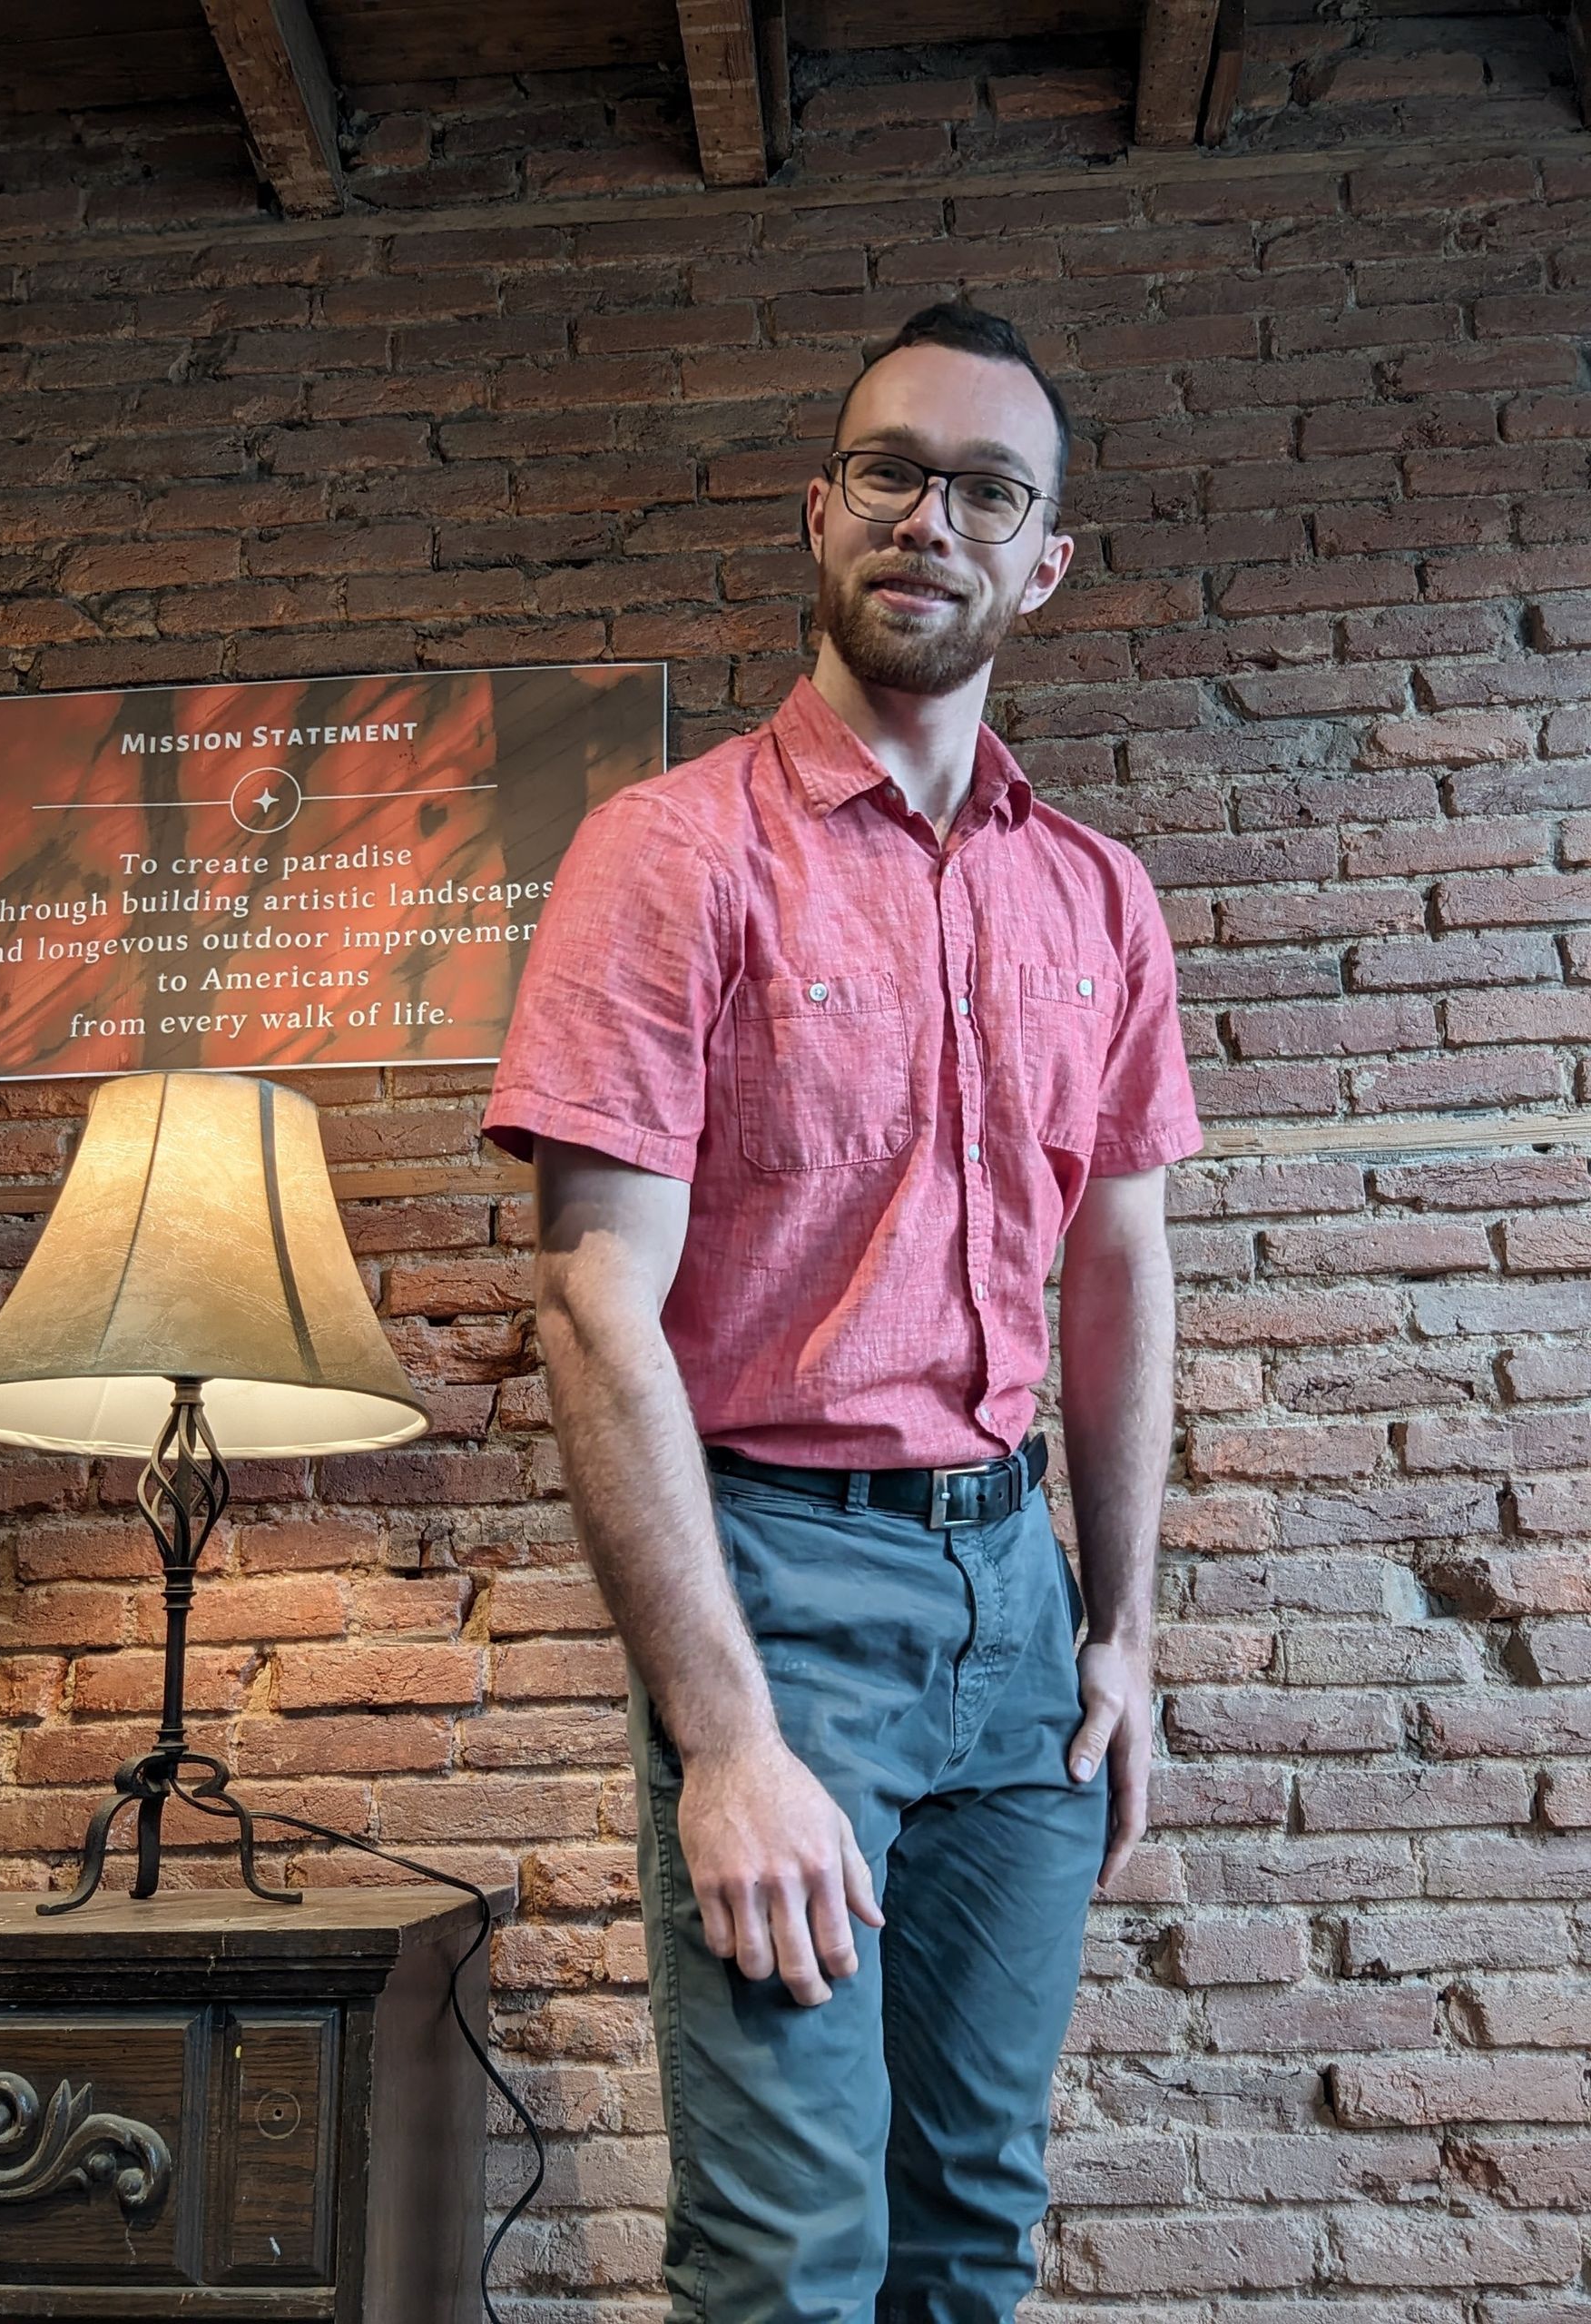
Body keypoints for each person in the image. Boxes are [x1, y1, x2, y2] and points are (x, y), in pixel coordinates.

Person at [481, 300, 1203, 2324]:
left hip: (1017, 1607)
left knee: (971, 2223)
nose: (930, 515)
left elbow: (1121, 1258)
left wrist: (1125, 1628)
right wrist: (722, 1738)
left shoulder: (1100, 898)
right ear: (821, 510)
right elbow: (591, 1298)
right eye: (891, 468)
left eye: (988, 487)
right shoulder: (671, 854)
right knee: (793, 2252)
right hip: (780, 1593)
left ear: (1039, 560)